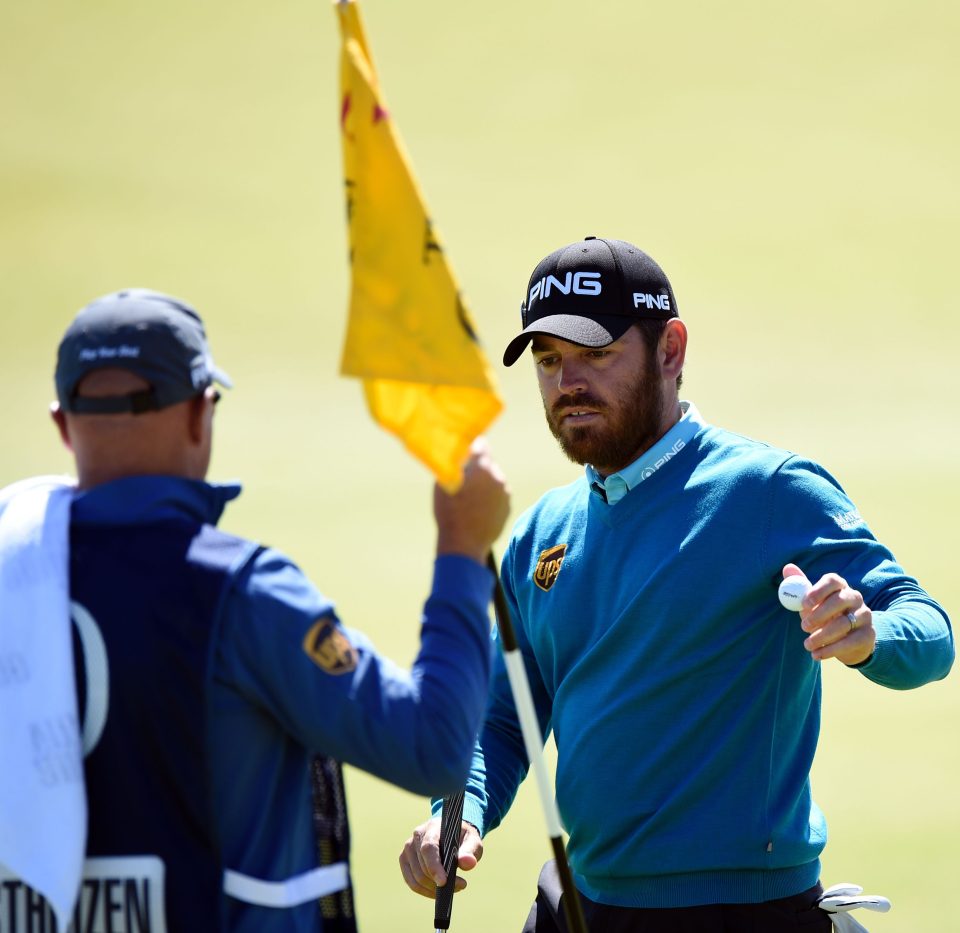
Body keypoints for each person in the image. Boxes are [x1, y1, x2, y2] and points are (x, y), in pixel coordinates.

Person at [398, 237, 954, 931]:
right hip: (585, 905)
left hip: (747, 912)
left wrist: (868, 634)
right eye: (548, 361)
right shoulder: (542, 532)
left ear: (671, 351)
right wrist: (459, 813)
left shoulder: (768, 490)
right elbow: (504, 716)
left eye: (596, 354)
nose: (568, 380)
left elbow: (931, 632)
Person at [0, 288, 510, 933]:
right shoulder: (244, 593)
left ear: (61, 424)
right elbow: (430, 746)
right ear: (197, 414)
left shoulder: (8, 572)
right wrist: (461, 549)